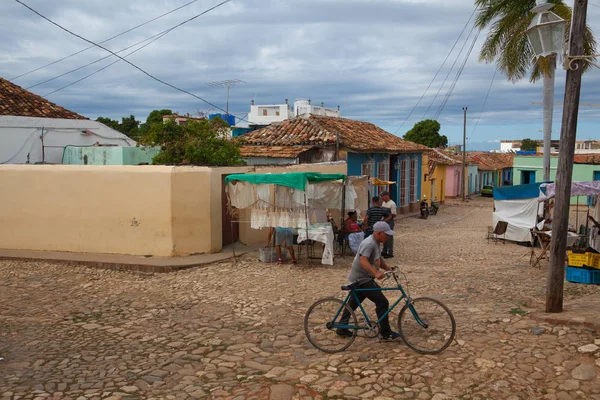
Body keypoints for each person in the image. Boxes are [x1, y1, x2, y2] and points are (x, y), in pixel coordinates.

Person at [337, 221, 400, 340]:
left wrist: (387, 268)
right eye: (386, 234)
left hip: (360, 277)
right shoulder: (369, 243)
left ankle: (341, 327)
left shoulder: (376, 242)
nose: (388, 237)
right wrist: (375, 272)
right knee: (382, 302)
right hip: (361, 278)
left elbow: (377, 258)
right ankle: (386, 332)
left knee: (353, 302)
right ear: (379, 233)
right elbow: (363, 260)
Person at [380, 191, 397, 258]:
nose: (382, 198)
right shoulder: (383, 203)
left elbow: (394, 214)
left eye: (382, 196)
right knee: (384, 236)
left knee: (389, 236)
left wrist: (388, 217)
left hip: (389, 221)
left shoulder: (392, 204)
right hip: (384, 221)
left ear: (386, 195)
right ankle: (384, 250)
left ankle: (390, 252)